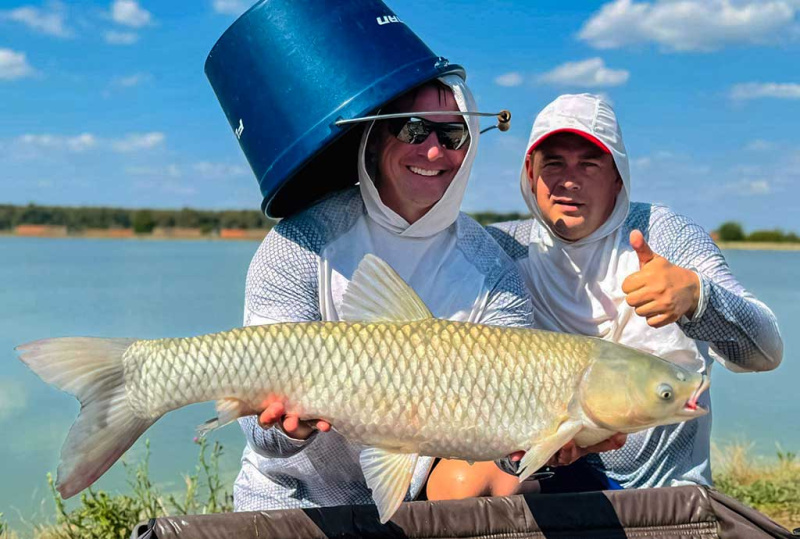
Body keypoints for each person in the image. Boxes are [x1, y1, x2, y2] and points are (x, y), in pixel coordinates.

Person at [428, 93, 784, 493]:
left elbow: (767, 352)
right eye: (554, 163)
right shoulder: (502, 249)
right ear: (530, 171)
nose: (568, 180)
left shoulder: (665, 235)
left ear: (619, 175)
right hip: (552, 478)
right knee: (456, 481)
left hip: (666, 493)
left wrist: (699, 297)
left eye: (590, 164)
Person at [232, 76, 539, 512]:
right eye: (413, 129)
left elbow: (507, 423)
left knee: (513, 486)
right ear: (374, 138)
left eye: (453, 135)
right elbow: (260, 436)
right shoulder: (297, 242)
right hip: (287, 499)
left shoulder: (493, 272)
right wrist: (286, 428)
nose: (433, 151)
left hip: (408, 504)